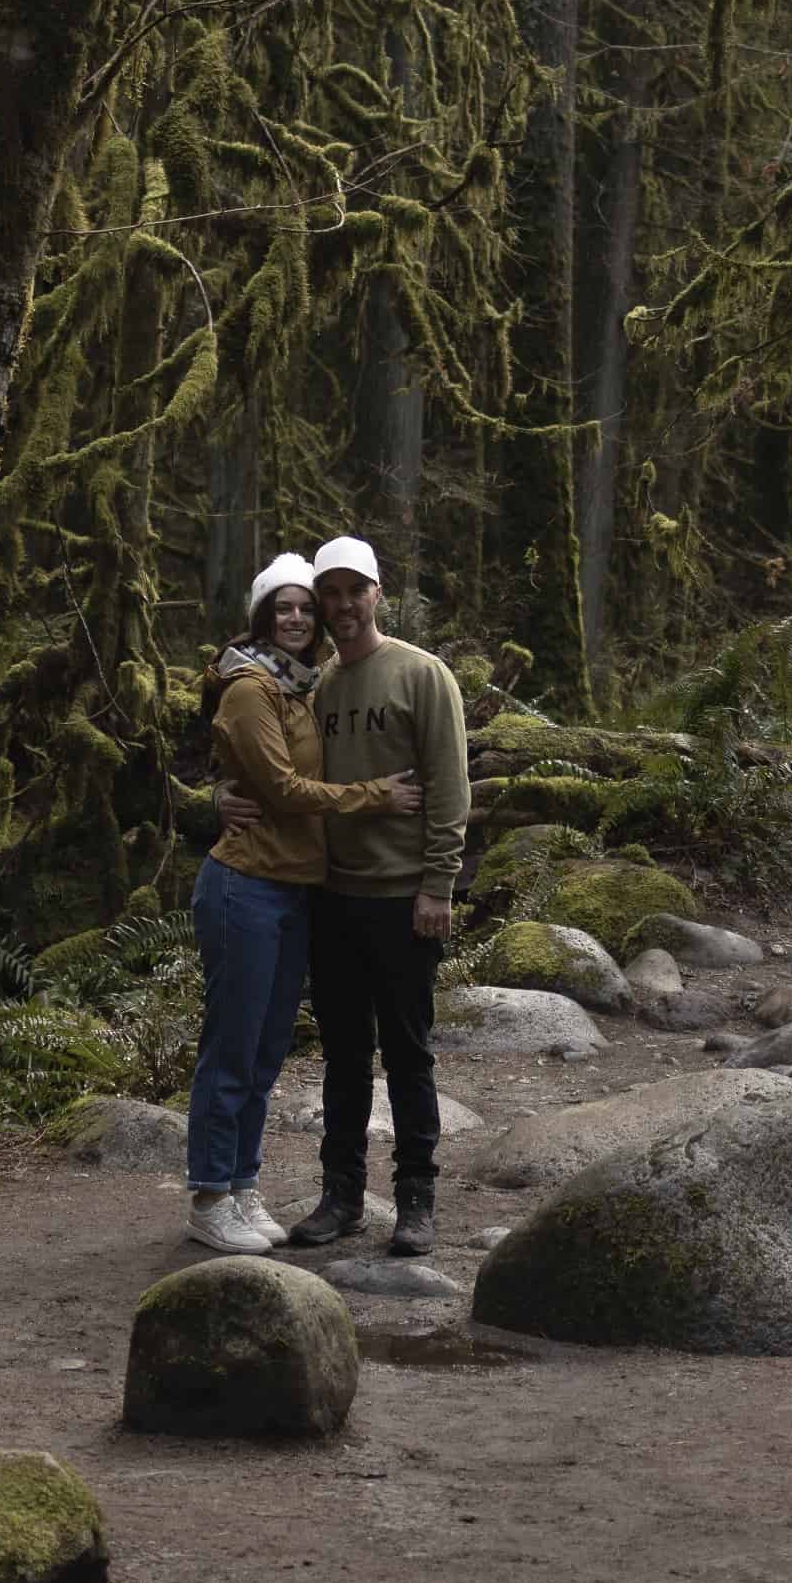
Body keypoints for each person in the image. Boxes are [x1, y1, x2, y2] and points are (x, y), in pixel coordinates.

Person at [185, 553, 424, 1255]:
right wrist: (377, 794)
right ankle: (208, 1195)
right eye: (281, 607)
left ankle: (242, 1185)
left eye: (303, 608)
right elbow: (284, 789)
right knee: (232, 1046)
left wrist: (217, 791)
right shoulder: (251, 687)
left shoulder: (303, 688)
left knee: (264, 1052)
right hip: (246, 887)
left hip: (294, 891)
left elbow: (250, 776)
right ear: (262, 614)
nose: (295, 618)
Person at [278, 534, 470, 1257]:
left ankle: (416, 1201)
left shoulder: (422, 676)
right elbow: (287, 774)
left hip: (403, 899)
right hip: (333, 897)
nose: (343, 605)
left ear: (377, 594)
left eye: (355, 590)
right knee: (344, 1056)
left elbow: (450, 786)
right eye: (331, 593)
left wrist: (438, 885)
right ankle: (342, 1196)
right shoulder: (320, 685)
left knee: (410, 1054)